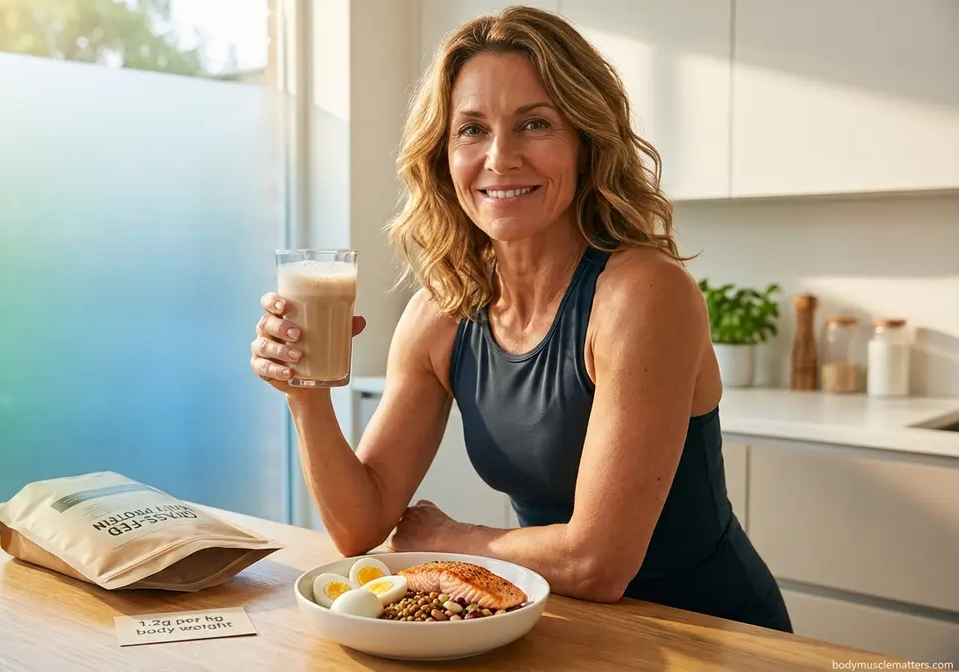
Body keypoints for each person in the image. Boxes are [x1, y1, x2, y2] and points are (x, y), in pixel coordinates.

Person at [248, 6, 792, 632]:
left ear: (586, 144)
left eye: (535, 124)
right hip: (564, 628)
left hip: (711, 633)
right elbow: (359, 525)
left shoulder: (642, 294)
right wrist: (305, 398)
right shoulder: (440, 313)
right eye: (472, 130)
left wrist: (452, 537)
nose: (500, 158)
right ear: (444, 157)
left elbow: (596, 562)